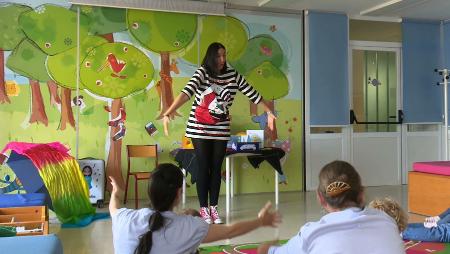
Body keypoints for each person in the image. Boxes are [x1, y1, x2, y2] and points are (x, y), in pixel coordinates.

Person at [162, 42, 276, 224]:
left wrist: (269, 111)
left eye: (224, 55)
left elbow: (252, 93)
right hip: (199, 128)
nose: (222, 59)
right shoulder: (203, 73)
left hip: (220, 129)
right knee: (203, 167)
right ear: (210, 57)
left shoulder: (233, 75)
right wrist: (168, 111)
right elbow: (187, 92)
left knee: (216, 168)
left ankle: (214, 209)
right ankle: (203, 209)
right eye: (218, 56)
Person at [110, 163, 281, 254]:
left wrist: (116, 192)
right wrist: (261, 221)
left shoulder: (123, 217)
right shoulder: (191, 226)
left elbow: (113, 206)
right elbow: (230, 231)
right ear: (179, 193)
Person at [257, 160, 405, 254]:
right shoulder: (388, 222)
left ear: (320, 199)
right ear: (361, 194)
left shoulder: (312, 233)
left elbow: (264, 251)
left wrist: (269, 242)